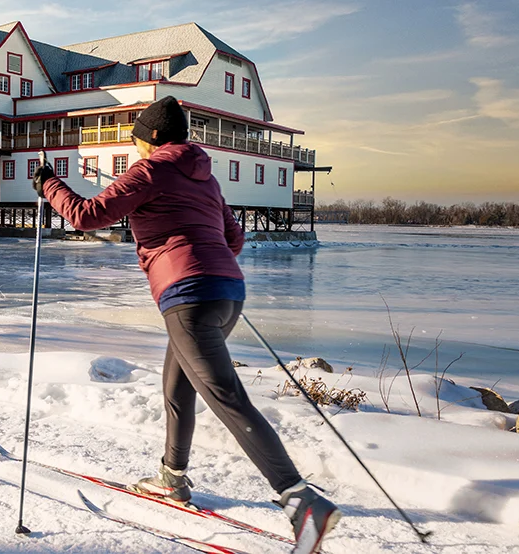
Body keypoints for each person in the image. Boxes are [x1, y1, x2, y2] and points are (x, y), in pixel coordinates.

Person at [32, 96, 340, 553]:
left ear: (153, 137)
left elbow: (87, 215)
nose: (135, 147)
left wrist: (48, 183)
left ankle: (300, 500)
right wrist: (203, 257)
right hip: (226, 291)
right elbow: (233, 238)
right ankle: (172, 478)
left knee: (225, 396)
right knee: (177, 386)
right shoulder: (206, 179)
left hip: (190, 296)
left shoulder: (150, 170)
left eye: (137, 139)